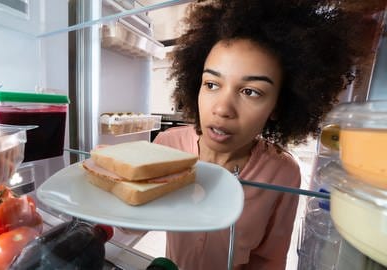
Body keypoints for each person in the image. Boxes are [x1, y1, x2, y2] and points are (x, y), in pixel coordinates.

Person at [152, 0, 386, 269]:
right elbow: (133, 217)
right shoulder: (167, 145)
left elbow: (269, 260)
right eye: (212, 84)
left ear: (277, 105)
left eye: (251, 91)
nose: (222, 109)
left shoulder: (282, 173)